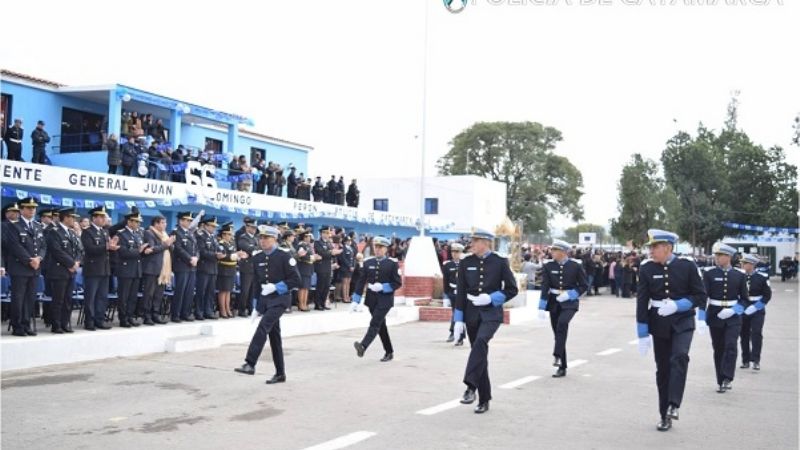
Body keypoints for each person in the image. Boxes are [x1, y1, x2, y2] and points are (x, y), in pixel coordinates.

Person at [636, 229, 707, 432]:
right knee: (663, 370)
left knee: (680, 357)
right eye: (650, 247)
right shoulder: (647, 269)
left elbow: (700, 297)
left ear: (667, 248)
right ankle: (664, 414)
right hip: (659, 323)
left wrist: (679, 305)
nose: (650, 251)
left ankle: (674, 403)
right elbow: (642, 301)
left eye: (654, 247)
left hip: (683, 321)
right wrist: (642, 333)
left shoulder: (687, 266)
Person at [450, 229, 518, 414]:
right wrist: (458, 320)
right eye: (471, 241)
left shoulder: (499, 262)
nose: (471, 244)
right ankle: (484, 398)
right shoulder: (466, 263)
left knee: (481, 342)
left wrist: (491, 298)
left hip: (490, 314)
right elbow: (461, 292)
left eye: (475, 241)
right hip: (471, 313)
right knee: (479, 355)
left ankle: (470, 386)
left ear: (486, 243)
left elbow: (512, 289)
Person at [234, 225, 300, 384]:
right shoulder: (257, 257)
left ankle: (250, 363)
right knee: (274, 337)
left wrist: (277, 287)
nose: (262, 241)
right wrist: (257, 307)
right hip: (266, 300)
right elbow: (257, 284)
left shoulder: (284, 256)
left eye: (266, 238)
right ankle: (280, 373)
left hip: (280, 299)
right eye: (260, 238)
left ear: (275, 239)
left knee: (263, 326)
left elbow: (296, 280)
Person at [701, 242, 749, 393]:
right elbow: (703, 297)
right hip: (715, 315)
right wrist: (701, 317)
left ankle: (728, 377)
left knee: (731, 345)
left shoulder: (739, 275)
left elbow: (745, 299)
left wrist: (734, 310)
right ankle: (720, 380)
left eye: (719, 255)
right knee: (719, 348)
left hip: (733, 316)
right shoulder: (709, 273)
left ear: (728, 257)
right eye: (716, 255)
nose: (716, 258)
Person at [538, 239, 588, 377]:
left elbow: (584, 285)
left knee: (562, 323)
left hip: (569, 303)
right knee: (558, 333)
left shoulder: (575, 266)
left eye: (555, 250)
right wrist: (541, 307)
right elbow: (545, 286)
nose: (552, 252)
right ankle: (562, 365)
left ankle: (557, 354)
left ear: (563, 252)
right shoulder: (548, 266)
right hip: (554, 302)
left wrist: (570, 295)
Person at [350, 236, 403, 362]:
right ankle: (389, 352)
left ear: (386, 249)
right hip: (371, 300)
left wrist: (383, 287)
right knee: (381, 326)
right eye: (376, 247)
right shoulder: (368, 263)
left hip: (385, 300)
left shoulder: (392, 264)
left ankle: (363, 346)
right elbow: (361, 281)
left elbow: (397, 283)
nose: (378, 249)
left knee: (375, 323)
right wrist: (355, 300)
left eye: (381, 247)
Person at [1, 197, 46, 336]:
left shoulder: (38, 226)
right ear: (21, 210)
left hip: (35, 268)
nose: (32, 210)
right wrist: (29, 260)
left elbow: (43, 245)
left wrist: (39, 258)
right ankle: (17, 326)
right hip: (20, 268)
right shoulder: (13, 226)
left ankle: (26, 324)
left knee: (30, 298)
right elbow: (15, 246)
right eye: (28, 207)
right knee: (18, 298)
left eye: (33, 208)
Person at [81, 206, 118, 330]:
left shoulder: (104, 231)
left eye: (104, 217)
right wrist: (106, 247)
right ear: (94, 218)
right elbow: (89, 249)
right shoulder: (87, 232)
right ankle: (89, 321)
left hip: (104, 268)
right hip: (92, 269)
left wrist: (112, 248)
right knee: (91, 297)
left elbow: (107, 249)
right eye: (101, 217)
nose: (103, 219)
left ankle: (99, 319)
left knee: (102, 296)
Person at [739, 253, 772, 371]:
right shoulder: (739, 276)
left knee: (756, 333)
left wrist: (756, 307)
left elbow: (767, 296)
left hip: (757, 308)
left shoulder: (762, 277)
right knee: (744, 334)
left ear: (751, 264)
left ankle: (756, 360)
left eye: (744, 263)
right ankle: (745, 360)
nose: (741, 265)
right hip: (743, 307)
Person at [115, 211, 147, 327]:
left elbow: (140, 252)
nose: (138, 224)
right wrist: (138, 251)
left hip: (136, 269)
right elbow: (123, 252)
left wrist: (144, 252)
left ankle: (130, 316)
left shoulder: (137, 235)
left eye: (139, 222)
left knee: (133, 296)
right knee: (124, 296)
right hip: (126, 269)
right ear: (129, 222)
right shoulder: (121, 234)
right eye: (136, 222)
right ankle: (123, 319)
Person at [141, 216, 174, 325]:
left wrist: (169, 244)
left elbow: (170, 248)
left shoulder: (165, 234)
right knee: (149, 294)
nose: (165, 225)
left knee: (159, 294)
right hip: (152, 267)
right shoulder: (149, 233)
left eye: (165, 222)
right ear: (156, 224)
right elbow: (152, 248)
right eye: (163, 223)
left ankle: (155, 314)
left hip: (163, 268)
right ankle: (147, 315)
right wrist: (166, 244)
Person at [171, 211, 199, 322]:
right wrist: (190, 258)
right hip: (181, 266)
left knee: (189, 291)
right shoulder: (175, 232)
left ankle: (185, 313)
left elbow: (196, 249)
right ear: (180, 221)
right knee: (180, 291)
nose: (189, 222)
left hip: (192, 266)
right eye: (187, 220)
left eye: (190, 220)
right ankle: (176, 314)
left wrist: (196, 257)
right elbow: (178, 249)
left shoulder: (190, 233)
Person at [194, 216, 223, 320]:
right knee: (201, 291)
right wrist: (215, 255)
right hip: (204, 268)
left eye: (214, 226)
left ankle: (208, 311)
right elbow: (201, 251)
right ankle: (199, 311)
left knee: (210, 292)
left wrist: (222, 254)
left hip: (213, 268)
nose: (213, 228)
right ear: (205, 225)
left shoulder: (213, 237)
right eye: (211, 226)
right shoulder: (201, 236)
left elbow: (219, 249)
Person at [442, 243, 466, 344]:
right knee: (456, 313)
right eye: (452, 251)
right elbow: (445, 281)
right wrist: (446, 295)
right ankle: (456, 334)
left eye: (457, 252)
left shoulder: (465, 264)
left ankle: (457, 334)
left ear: (461, 252)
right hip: (452, 293)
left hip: (463, 293)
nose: (454, 254)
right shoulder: (448, 265)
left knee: (461, 314)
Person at [216, 223, 241, 319]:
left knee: (229, 291)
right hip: (224, 270)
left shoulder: (231, 244)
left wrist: (238, 255)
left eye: (231, 234)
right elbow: (222, 255)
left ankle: (228, 308)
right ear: (224, 235)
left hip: (231, 269)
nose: (230, 236)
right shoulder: (221, 244)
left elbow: (233, 254)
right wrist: (232, 256)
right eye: (229, 234)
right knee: (223, 291)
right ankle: (223, 310)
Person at [313, 226, 341, 311]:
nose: (327, 235)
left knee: (326, 286)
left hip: (328, 267)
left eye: (328, 233)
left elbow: (332, 253)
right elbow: (321, 253)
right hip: (321, 267)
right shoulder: (317, 242)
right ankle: (317, 304)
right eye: (325, 233)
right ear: (321, 233)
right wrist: (331, 252)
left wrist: (334, 256)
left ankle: (323, 303)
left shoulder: (328, 243)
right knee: (320, 286)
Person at [236, 217, 259, 317]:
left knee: (252, 291)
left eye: (255, 228)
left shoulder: (255, 238)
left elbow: (259, 249)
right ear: (247, 227)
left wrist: (256, 250)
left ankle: (250, 309)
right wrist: (255, 250)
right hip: (246, 267)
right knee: (245, 291)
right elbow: (248, 249)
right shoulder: (243, 237)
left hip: (254, 267)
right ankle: (242, 310)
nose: (254, 230)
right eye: (252, 227)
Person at [295, 227, 317, 312]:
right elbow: (302, 256)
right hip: (303, 269)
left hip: (308, 269)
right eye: (307, 236)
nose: (309, 238)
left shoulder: (307, 246)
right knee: (302, 288)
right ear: (304, 237)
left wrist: (313, 257)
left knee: (307, 288)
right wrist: (312, 258)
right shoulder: (301, 245)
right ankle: (301, 304)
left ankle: (305, 303)